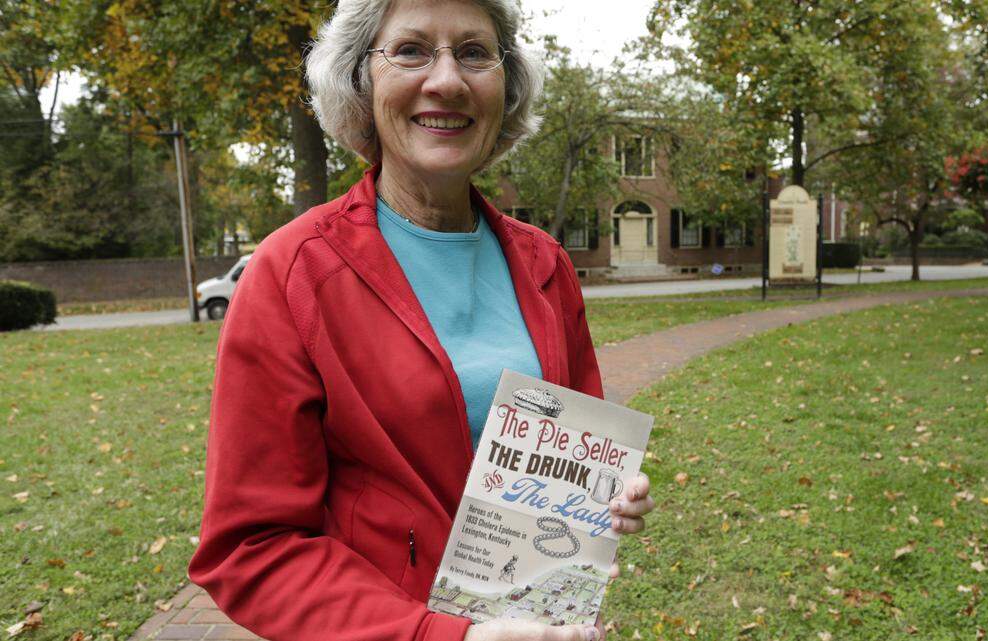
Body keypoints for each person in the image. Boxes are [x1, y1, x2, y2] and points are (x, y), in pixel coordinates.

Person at [187, 1, 655, 641]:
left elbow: (572, 453)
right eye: (410, 50)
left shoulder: (545, 265)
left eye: (473, 52)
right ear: (360, 80)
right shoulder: (293, 273)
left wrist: (604, 497)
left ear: (505, 85)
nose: (447, 81)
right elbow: (252, 549)